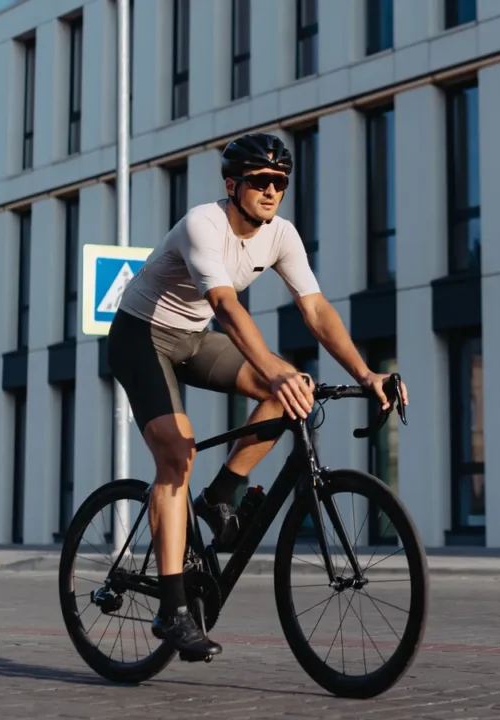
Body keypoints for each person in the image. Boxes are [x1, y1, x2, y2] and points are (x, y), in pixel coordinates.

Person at [106, 132, 409, 659]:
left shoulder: (281, 235)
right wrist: (273, 369)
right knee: (178, 455)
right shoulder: (204, 224)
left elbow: (315, 310)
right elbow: (224, 305)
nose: (271, 192)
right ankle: (172, 610)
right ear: (233, 185)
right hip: (140, 335)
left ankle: (221, 494)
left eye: (280, 183)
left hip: (193, 338)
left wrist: (366, 375)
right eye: (260, 182)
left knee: (292, 390)